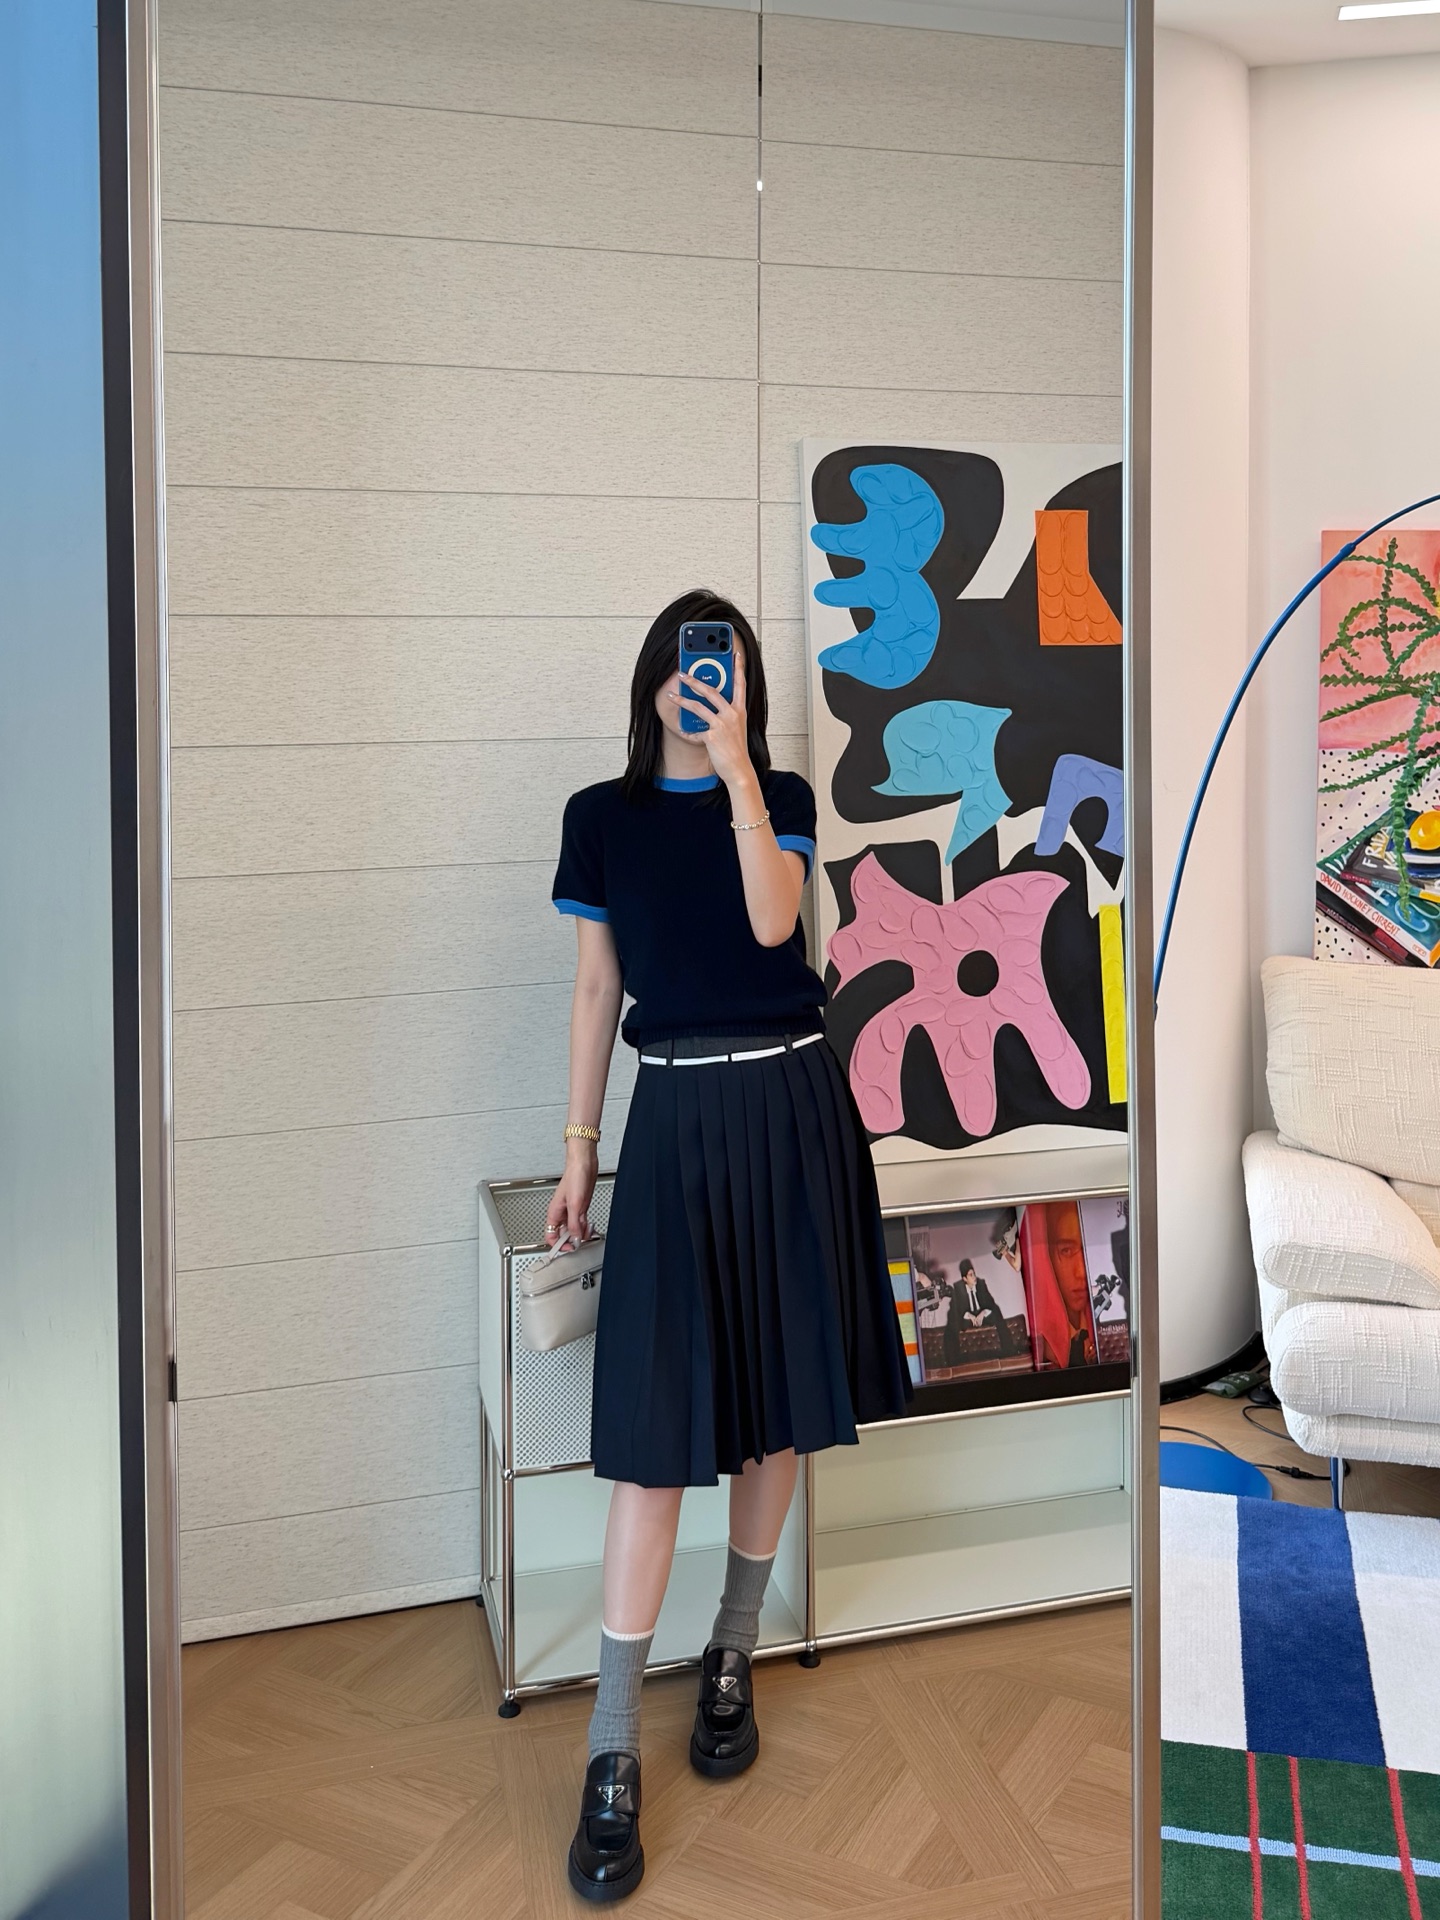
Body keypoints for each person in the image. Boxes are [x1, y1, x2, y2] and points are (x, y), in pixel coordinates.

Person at [547, 589, 911, 1902]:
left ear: (745, 687)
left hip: (795, 1107)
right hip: (678, 1119)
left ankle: (733, 1652)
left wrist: (743, 770)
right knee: (654, 1441)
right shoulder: (601, 817)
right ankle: (610, 1743)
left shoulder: (785, 796)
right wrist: (580, 1148)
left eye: (725, 667)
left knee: (772, 1416)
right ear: (653, 678)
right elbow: (599, 987)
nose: (701, 682)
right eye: (686, 664)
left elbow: (771, 926)